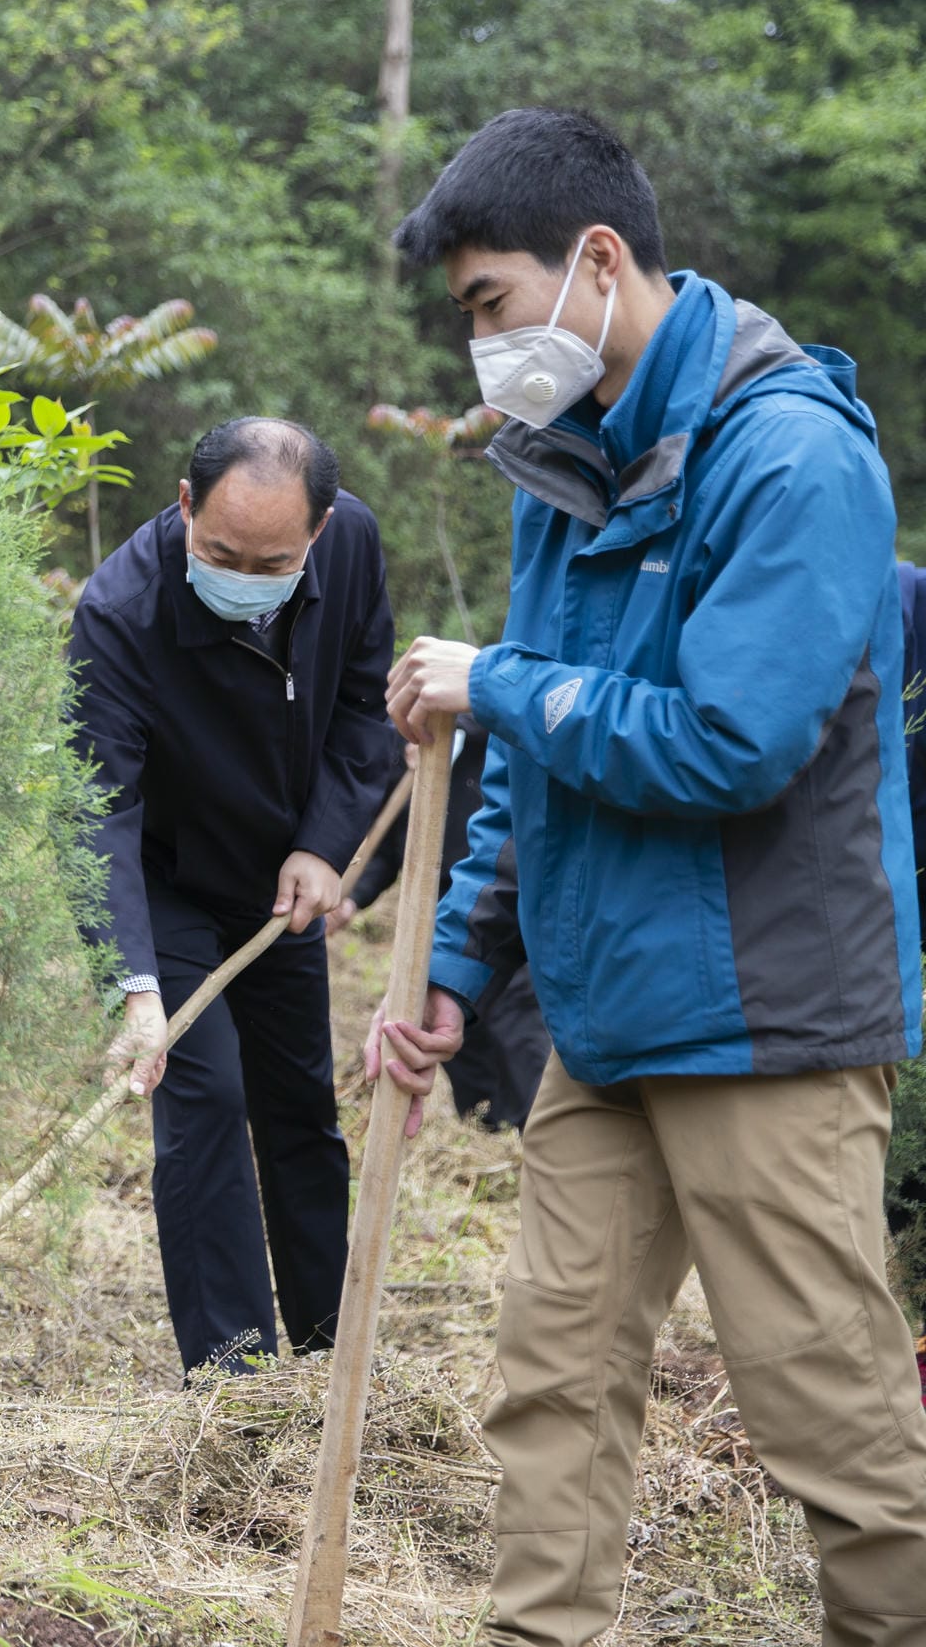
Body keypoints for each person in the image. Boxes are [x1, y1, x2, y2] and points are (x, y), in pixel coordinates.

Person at [379, 106, 926, 1644]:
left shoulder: (793, 455)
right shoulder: (560, 466)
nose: (483, 348)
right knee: (551, 1384)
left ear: (597, 260)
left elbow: (731, 747)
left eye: (491, 305)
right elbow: (536, 761)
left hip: (766, 1020)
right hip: (606, 1025)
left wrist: (501, 688)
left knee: (833, 1421)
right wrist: (448, 968)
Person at [67, 417, 404, 1377]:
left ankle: (331, 1352)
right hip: (165, 882)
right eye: (220, 553)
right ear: (184, 505)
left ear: (322, 529)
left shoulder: (355, 546)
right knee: (205, 1090)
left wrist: (324, 845)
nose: (244, 574)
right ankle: (235, 1376)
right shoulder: (121, 613)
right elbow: (96, 811)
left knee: (299, 1104)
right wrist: (131, 981)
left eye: (272, 560)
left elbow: (362, 706)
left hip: (280, 882)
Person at [328, 725, 549, 1131]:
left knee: (517, 1021)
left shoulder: (486, 734)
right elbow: (391, 845)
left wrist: (454, 723)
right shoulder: (401, 748)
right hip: (441, 911)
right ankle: (487, 1125)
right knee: (454, 1026)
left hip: (505, 904)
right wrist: (351, 898)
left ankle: (530, 1128)